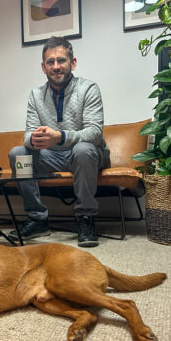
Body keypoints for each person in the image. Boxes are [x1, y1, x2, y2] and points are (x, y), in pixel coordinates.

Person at [8, 36, 110, 247]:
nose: (56, 66)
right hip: (52, 156)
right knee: (17, 153)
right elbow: (27, 134)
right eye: (50, 62)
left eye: (61, 60)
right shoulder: (36, 95)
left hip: (87, 155)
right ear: (43, 67)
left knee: (82, 149)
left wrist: (60, 136)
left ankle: (85, 217)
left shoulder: (89, 88)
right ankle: (37, 218)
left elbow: (94, 133)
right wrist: (33, 139)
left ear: (72, 63)